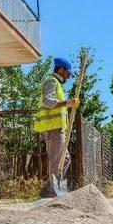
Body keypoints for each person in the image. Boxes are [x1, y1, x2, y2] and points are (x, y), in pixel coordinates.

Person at [33, 57, 80, 198]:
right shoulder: (51, 81)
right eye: (67, 73)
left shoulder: (57, 84)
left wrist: (68, 104)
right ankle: (52, 192)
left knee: (64, 159)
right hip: (52, 128)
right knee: (56, 160)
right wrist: (68, 103)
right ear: (61, 70)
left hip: (58, 129)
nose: (68, 77)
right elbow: (48, 101)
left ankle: (51, 188)